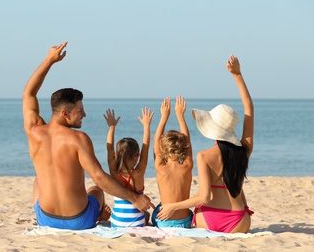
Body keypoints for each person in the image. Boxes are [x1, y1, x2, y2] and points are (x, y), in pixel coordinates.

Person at [22, 41, 154, 230]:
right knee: (96, 191)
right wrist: (134, 198)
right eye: (80, 110)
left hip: (46, 219)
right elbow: (99, 177)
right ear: (65, 114)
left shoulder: (33, 130)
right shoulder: (79, 139)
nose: (84, 114)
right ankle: (99, 213)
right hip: (79, 220)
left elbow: (29, 94)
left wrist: (49, 60)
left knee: (38, 181)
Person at [156, 55, 254, 233]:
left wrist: (173, 206)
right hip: (238, 221)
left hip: (210, 220)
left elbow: (204, 197)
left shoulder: (204, 156)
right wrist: (238, 75)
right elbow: (249, 109)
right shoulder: (244, 150)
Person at [104, 107, 154, 227]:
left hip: (117, 223)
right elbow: (146, 149)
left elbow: (109, 148)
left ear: (117, 155)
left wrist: (111, 127)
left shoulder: (114, 172)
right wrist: (146, 126)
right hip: (137, 224)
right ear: (137, 156)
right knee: (146, 215)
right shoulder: (139, 173)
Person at [151, 96, 194, 228]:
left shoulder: (160, 166)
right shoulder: (187, 165)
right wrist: (180, 116)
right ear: (184, 148)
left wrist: (164, 117)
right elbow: (188, 142)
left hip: (163, 222)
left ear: (162, 148)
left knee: (159, 207)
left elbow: (156, 143)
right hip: (185, 222)